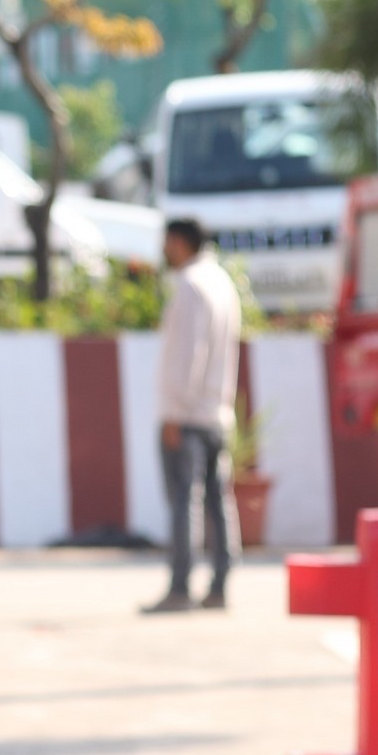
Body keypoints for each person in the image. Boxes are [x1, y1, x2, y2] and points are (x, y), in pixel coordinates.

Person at [149, 213, 242, 614]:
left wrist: (175, 411)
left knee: (185, 502)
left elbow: (189, 355)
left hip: (188, 415)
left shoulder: (190, 285)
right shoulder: (221, 282)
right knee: (218, 502)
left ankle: (180, 587)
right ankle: (220, 584)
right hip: (217, 411)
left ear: (179, 242)